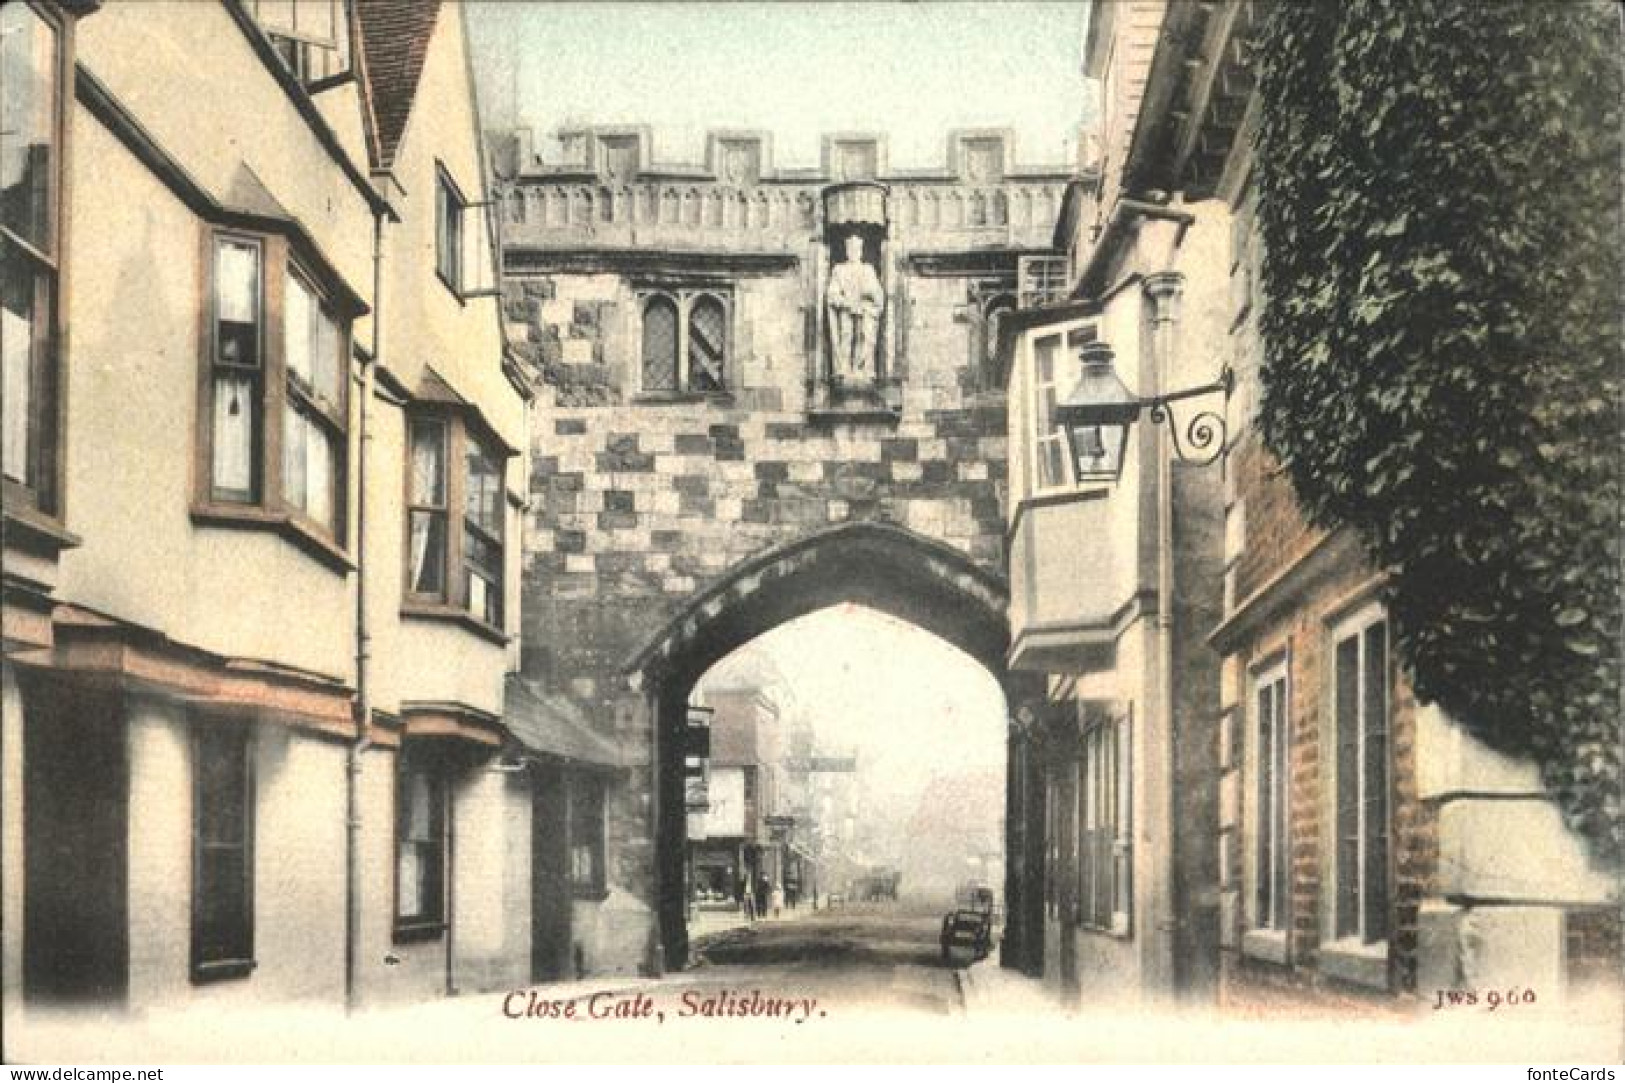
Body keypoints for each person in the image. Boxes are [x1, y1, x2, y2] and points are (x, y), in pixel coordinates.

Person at [825, 234, 884, 385]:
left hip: (865, 310)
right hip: (846, 310)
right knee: (846, 337)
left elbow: (877, 293)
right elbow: (832, 294)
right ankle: (844, 370)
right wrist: (845, 303)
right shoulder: (839, 270)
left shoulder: (868, 269)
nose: (854, 251)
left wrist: (869, 294)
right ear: (846, 251)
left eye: (857, 249)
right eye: (851, 249)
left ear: (861, 250)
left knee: (864, 338)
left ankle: (862, 369)